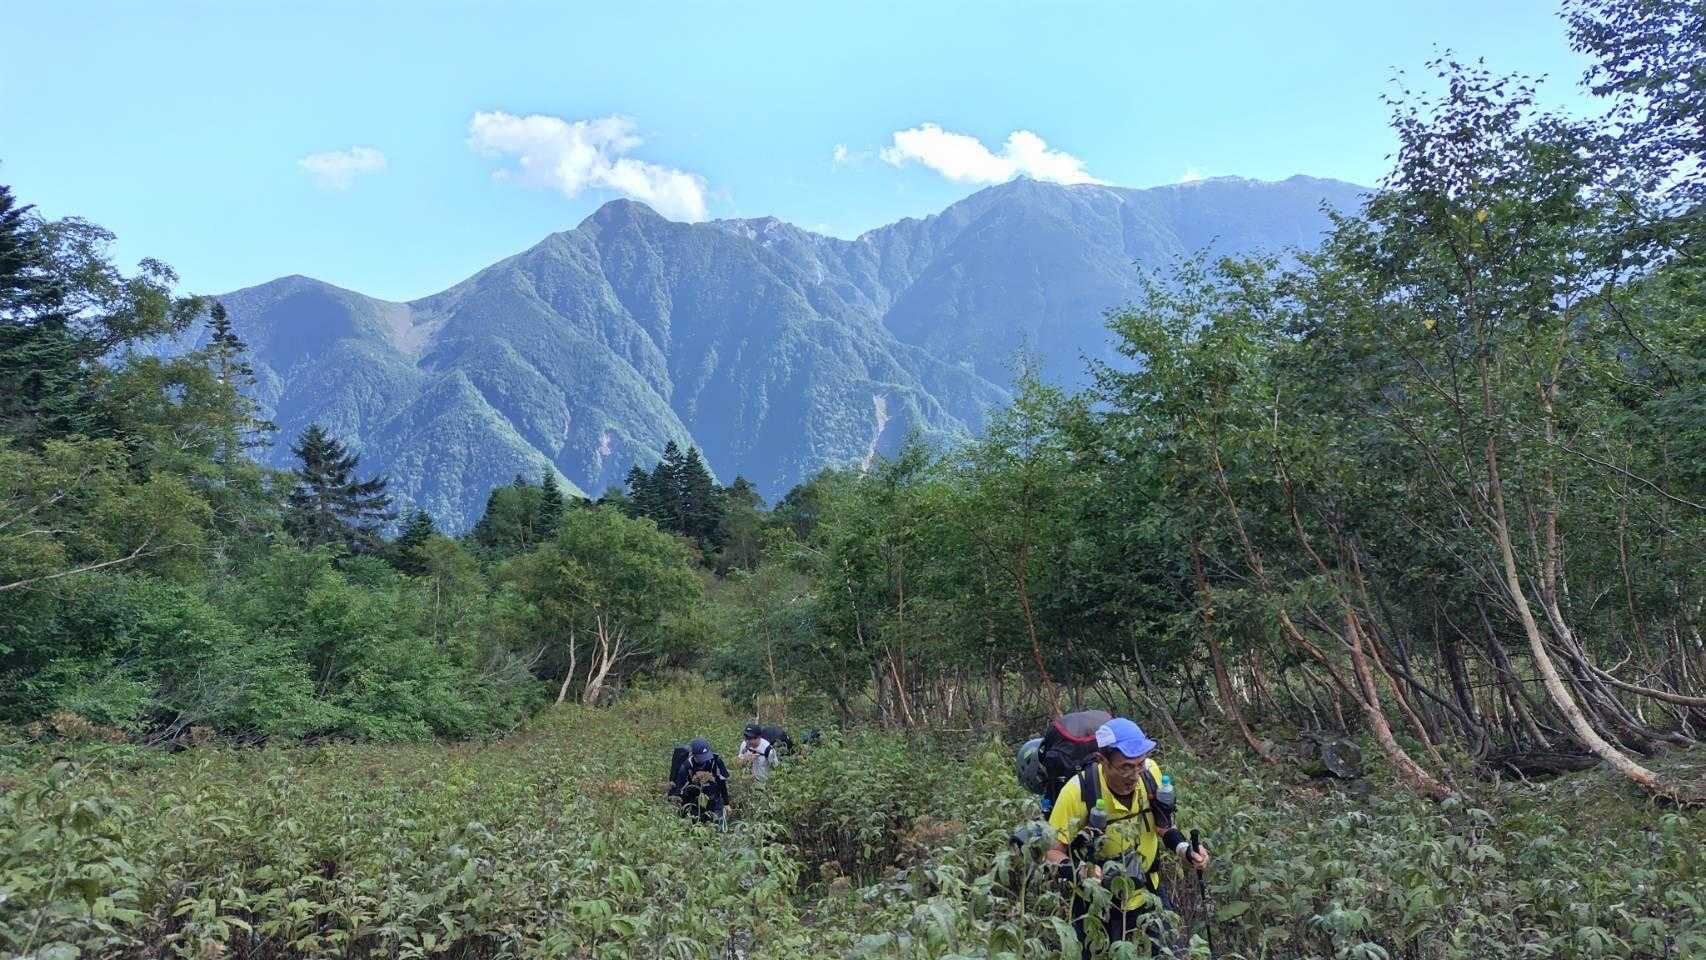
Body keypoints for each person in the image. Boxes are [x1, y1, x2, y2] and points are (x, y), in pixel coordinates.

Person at [1043, 718, 1210, 958]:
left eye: (1139, 764)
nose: (1134, 776)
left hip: (1148, 891)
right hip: (1097, 903)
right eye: (1125, 767)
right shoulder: (1077, 791)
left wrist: (1185, 849)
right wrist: (1080, 871)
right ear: (1102, 760)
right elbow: (1051, 851)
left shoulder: (1150, 774)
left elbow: (1163, 826)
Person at [668, 737, 731, 823]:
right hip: (693, 800)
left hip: (713, 799)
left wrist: (726, 803)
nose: (704, 760)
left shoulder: (716, 761)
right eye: (700, 758)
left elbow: (722, 783)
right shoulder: (687, 766)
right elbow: (679, 789)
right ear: (693, 755)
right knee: (695, 822)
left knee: (718, 822)